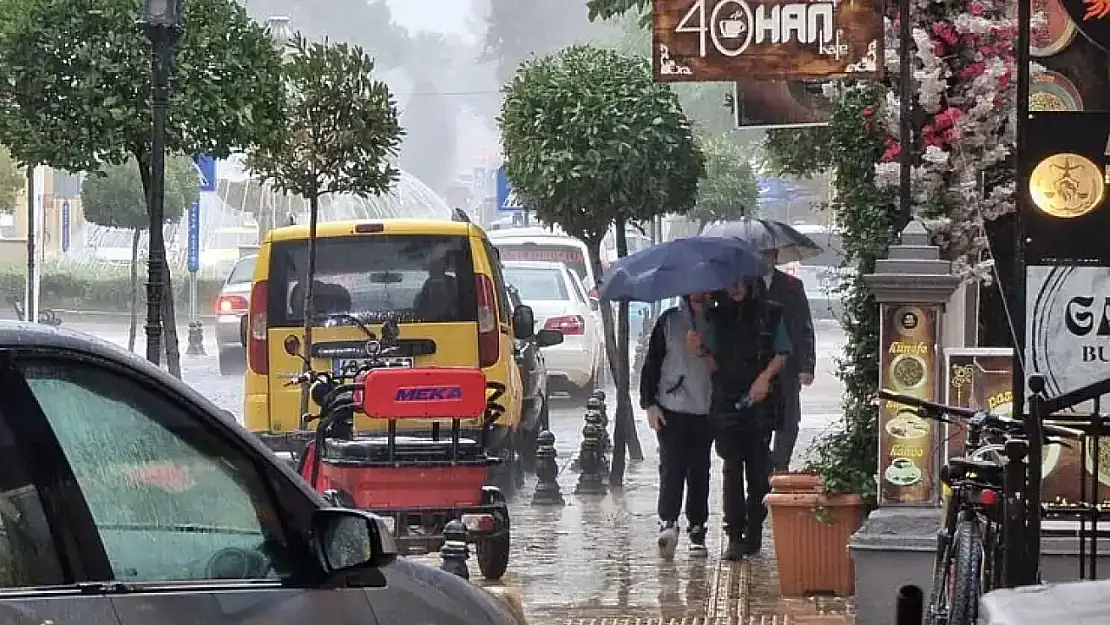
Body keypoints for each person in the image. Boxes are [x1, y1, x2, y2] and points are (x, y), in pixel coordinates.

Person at [698, 280, 791, 560]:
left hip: (759, 402)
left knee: (758, 470)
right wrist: (701, 351)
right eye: (731, 283)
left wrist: (764, 378)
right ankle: (734, 534)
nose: (735, 288)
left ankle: (754, 531)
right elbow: (713, 362)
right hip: (727, 400)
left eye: (741, 282)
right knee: (731, 467)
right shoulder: (717, 316)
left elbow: (783, 353)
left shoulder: (770, 313)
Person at [639, 292, 715, 559]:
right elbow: (651, 365)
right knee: (671, 467)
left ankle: (697, 528)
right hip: (671, 407)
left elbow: (727, 366)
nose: (698, 294)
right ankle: (668, 521)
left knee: (699, 470)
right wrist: (649, 405)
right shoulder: (668, 322)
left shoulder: (718, 321)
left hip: (705, 408)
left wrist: (703, 351)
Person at [760, 252, 817, 472]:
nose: (764, 259)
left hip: (788, 365)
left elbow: (805, 326)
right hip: (755, 367)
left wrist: (807, 366)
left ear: (775, 257)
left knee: (788, 421)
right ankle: (762, 468)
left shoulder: (792, 285)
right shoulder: (744, 285)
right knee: (759, 422)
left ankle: (780, 466)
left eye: (768, 255)